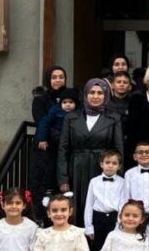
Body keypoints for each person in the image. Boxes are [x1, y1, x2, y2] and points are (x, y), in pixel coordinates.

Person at [58, 78, 124, 236]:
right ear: (85, 94)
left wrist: (119, 176)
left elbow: (118, 148)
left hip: (103, 168)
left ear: (106, 95)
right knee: (78, 207)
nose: (95, 96)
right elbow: (63, 149)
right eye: (92, 92)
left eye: (100, 93)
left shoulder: (114, 118)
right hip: (77, 169)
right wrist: (63, 178)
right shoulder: (71, 117)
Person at [85, 150, 129, 251]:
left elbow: (123, 203)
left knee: (114, 248)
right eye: (107, 162)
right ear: (101, 164)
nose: (110, 165)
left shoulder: (123, 182)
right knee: (99, 248)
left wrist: (119, 223)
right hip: (98, 217)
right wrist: (89, 226)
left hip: (114, 218)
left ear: (119, 166)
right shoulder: (94, 181)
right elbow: (89, 204)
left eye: (114, 163)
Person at [35, 88, 78, 217]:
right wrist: (42, 138)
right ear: (60, 103)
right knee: (52, 167)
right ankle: (48, 193)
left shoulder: (78, 113)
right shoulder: (55, 110)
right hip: (56, 143)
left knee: (69, 168)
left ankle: (68, 192)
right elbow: (44, 123)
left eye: (71, 102)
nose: (68, 105)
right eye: (65, 102)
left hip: (73, 145)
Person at [32, 66, 69, 208]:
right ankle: (42, 214)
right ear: (48, 80)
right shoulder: (41, 99)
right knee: (44, 182)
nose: (58, 80)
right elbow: (41, 120)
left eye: (61, 77)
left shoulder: (70, 97)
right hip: (46, 146)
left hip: (65, 147)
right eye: (54, 77)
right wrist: (61, 137)